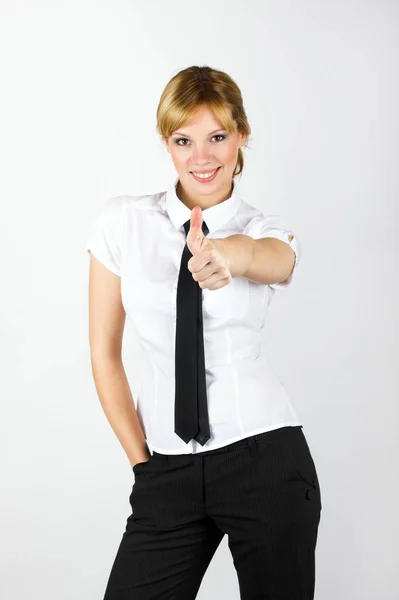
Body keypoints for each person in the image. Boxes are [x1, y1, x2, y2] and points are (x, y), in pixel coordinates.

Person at [86, 65, 322, 600]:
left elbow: (274, 260)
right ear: (166, 144)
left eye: (218, 136)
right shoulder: (122, 223)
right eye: (183, 140)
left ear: (242, 135)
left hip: (264, 460)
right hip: (165, 470)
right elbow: (104, 354)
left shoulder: (263, 228)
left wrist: (227, 255)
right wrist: (142, 466)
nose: (202, 156)